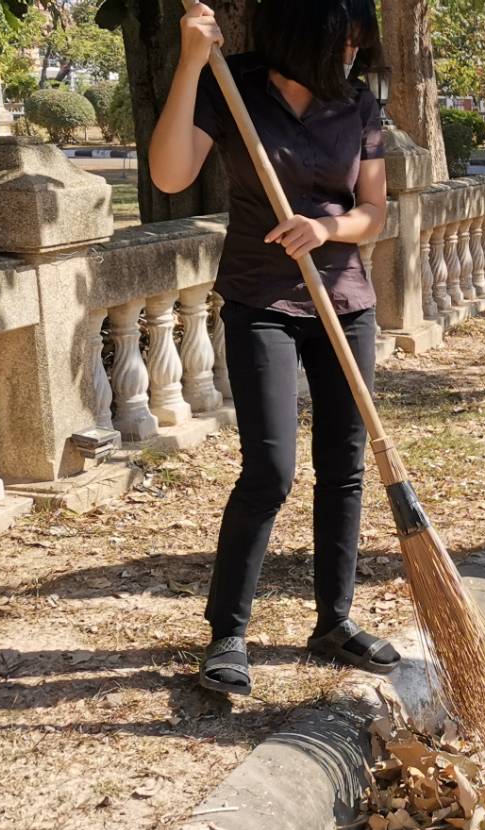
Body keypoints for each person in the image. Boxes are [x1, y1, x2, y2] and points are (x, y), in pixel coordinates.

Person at [150, 0, 398, 695]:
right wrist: (192, 62)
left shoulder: (358, 106)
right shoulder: (233, 87)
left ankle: (334, 621)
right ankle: (228, 634)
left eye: (357, 42)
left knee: (344, 467)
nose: (350, 54)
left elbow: (375, 212)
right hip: (262, 303)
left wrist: (330, 229)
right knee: (270, 471)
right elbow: (170, 175)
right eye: (340, 41)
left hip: (344, 303)